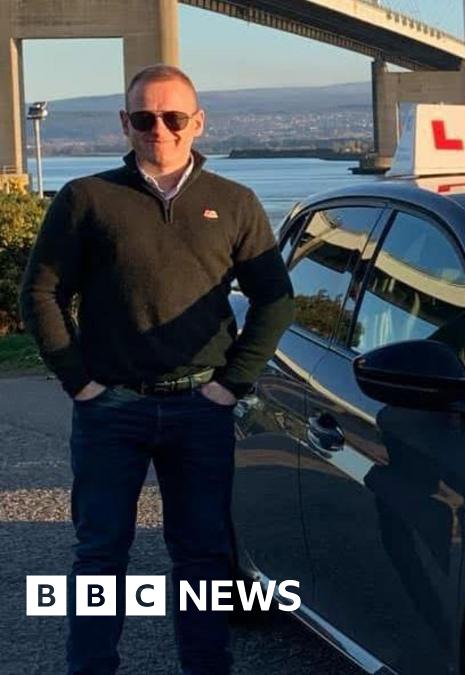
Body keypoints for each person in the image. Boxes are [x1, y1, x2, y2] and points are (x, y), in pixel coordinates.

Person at [18, 64, 296, 675]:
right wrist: (79, 381)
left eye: (174, 118)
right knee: (100, 556)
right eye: (144, 118)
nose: (160, 130)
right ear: (125, 123)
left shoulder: (235, 203)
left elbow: (275, 299)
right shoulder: (87, 198)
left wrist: (233, 383)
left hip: (202, 406)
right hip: (111, 407)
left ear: (198, 122)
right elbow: (39, 293)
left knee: (202, 558)